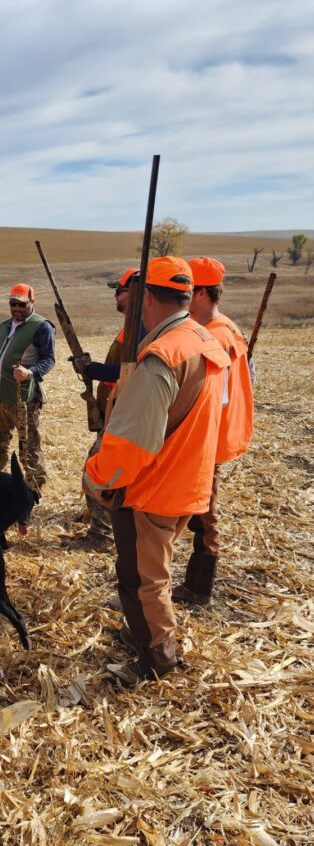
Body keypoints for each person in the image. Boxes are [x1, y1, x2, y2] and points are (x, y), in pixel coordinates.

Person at [83, 256, 230, 678]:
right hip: (188, 482)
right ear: (187, 295)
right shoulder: (203, 339)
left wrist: (96, 478)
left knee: (143, 581)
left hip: (152, 491)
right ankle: (143, 634)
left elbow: (131, 446)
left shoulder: (161, 356)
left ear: (147, 297)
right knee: (153, 575)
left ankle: (156, 661)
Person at [173, 257, 254, 606]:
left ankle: (198, 588)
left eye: (189, 291)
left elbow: (209, 396)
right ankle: (195, 585)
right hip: (217, 436)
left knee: (205, 516)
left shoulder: (215, 336)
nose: (184, 298)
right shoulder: (229, 328)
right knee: (202, 511)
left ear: (202, 292)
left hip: (208, 439)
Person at [67, 268, 141, 549]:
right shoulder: (133, 326)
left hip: (122, 415)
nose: (116, 295)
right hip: (115, 410)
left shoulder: (140, 328)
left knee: (98, 469)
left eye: (120, 290)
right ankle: (98, 520)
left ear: (134, 293)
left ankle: (101, 535)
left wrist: (92, 368)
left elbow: (128, 372)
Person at [0, 283, 54, 489]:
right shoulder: (3, 326)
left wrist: (30, 372)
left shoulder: (42, 326)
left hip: (24, 399)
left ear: (32, 302)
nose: (17, 309)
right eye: (13, 304)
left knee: (29, 449)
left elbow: (49, 360)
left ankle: (34, 489)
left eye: (22, 305)